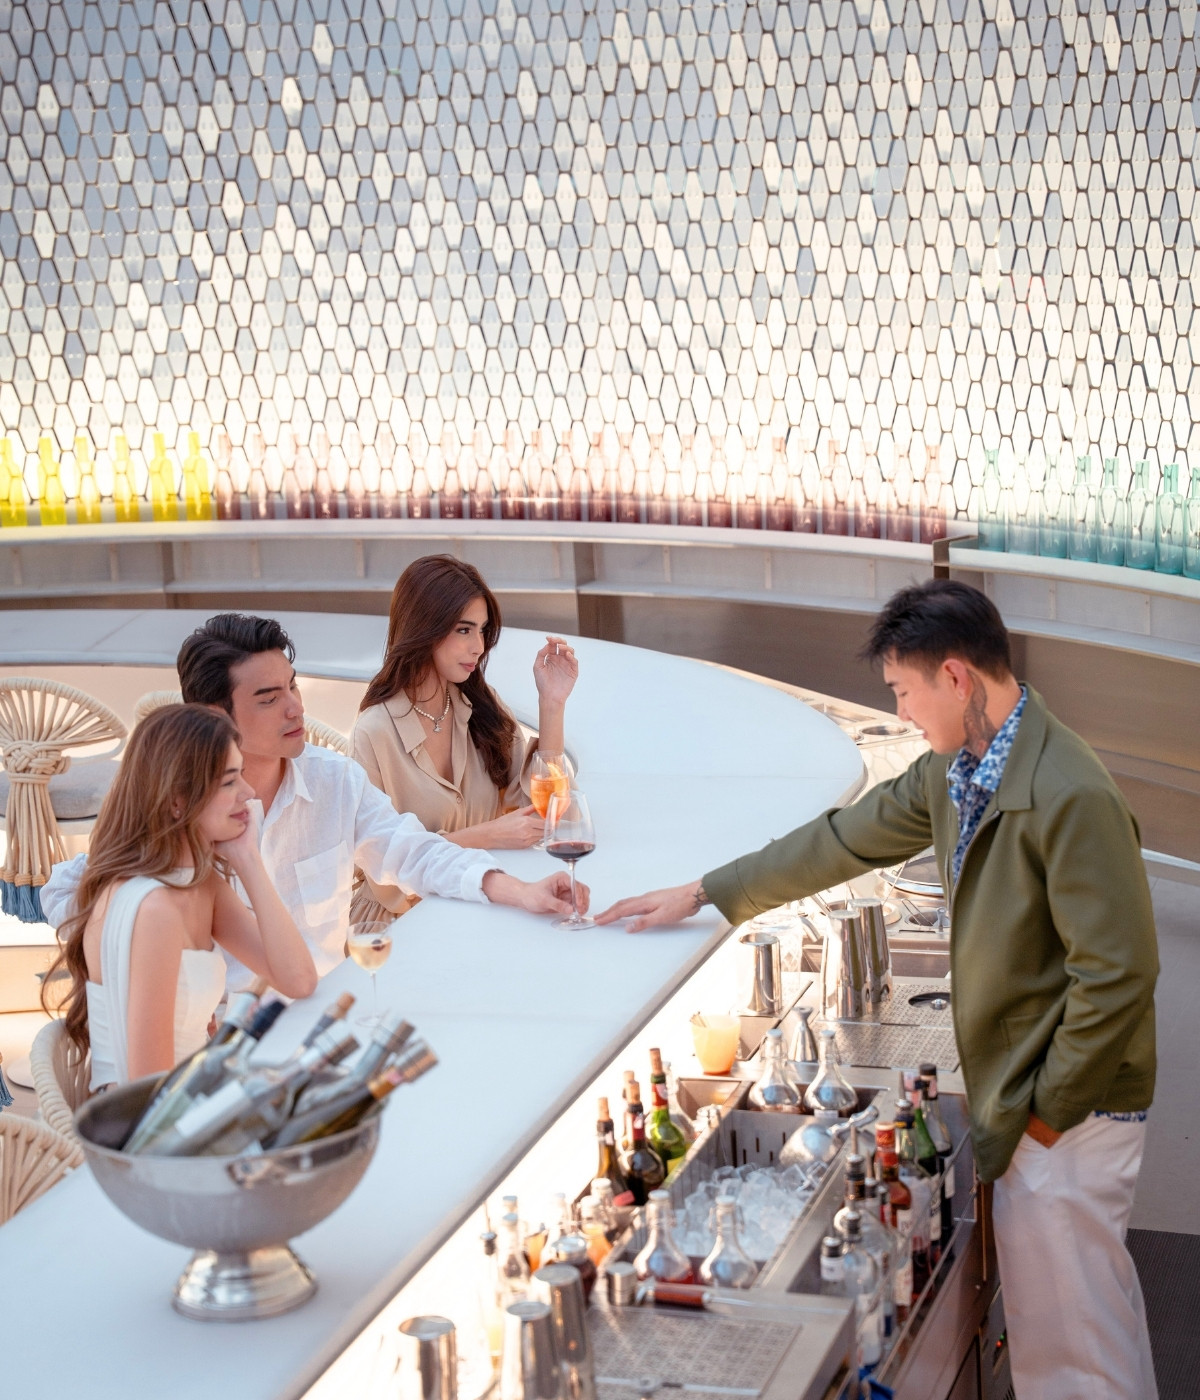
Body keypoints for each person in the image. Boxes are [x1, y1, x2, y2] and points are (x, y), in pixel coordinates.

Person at [598, 579, 1158, 1400]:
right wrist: (707, 891)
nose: (902, 715)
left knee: (1073, 1350)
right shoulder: (959, 770)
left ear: (957, 678)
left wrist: (1044, 1113)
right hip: (1039, 1097)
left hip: (1073, 1112)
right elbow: (843, 841)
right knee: (1082, 1320)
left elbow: (1116, 976)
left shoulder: (1070, 793)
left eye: (904, 692)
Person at [42, 614, 587, 989]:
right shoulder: (178, 807)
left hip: (321, 1007)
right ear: (215, 713)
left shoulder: (332, 780)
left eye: (293, 687)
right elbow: (66, 888)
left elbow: (415, 853)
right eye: (268, 697)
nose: (293, 708)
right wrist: (137, 981)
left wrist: (521, 891)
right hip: (221, 1039)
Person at [44, 705, 317, 1090]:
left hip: (183, 1096)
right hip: (153, 1123)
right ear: (177, 801)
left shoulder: (199, 885)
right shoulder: (156, 909)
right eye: (229, 782)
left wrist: (248, 860)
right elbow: (146, 1084)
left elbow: (299, 980)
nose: (249, 792)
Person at [351, 556, 578, 918]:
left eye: (483, 630)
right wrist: (488, 834)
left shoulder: (482, 708)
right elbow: (384, 874)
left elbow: (544, 812)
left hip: (484, 906)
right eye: (463, 630)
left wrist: (552, 703)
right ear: (424, 627)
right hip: (402, 923)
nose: (479, 646)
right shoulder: (374, 733)